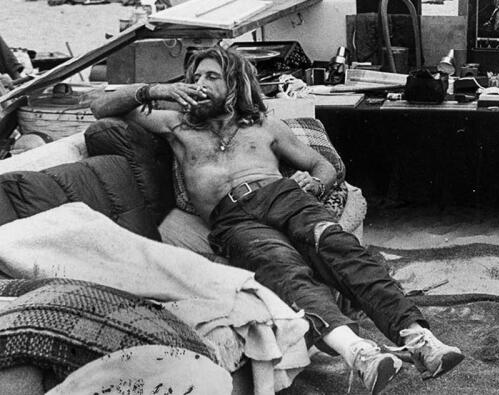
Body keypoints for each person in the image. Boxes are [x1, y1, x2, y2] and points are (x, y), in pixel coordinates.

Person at [91, 46, 463, 392]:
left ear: (234, 85)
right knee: (282, 270)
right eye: (196, 77)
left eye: (211, 77)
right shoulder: (177, 125)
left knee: (337, 247)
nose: (199, 84)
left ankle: (419, 340)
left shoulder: (265, 127)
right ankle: (359, 353)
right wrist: (155, 89)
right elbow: (100, 106)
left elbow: (324, 164)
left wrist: (315, 183)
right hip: (233, 219)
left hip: (283, 196)